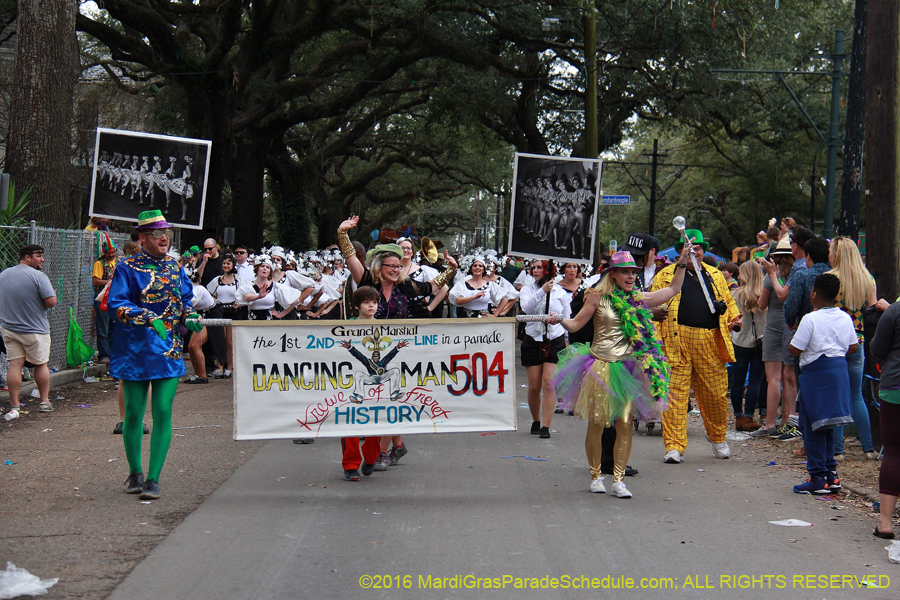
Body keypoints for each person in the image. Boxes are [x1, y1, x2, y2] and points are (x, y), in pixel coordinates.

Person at [552, 247, 691, 497]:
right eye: (625, 272)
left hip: (627, 369)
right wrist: (559, 319)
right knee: (597, 424)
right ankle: (596, 476)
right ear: (613, 274)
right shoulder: (596, 296)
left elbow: (672, 290)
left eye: (633, 273)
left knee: (624, 425)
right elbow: (575, 324)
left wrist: (681, 263)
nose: (630, 277)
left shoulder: (636, 298)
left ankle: (618, 480)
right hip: (599, 369)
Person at [337, 215, 457, 468]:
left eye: (398, 266)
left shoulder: (405, 286)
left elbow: (431, 287)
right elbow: (350, 259)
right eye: (390, 266)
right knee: (363, 405)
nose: (395, 269)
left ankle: (380, 452)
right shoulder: (367, 282)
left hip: (397, 356)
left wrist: (451, 270)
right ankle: (367, 455)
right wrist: (342, 233)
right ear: (378, 267)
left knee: (390, 403)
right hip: (364, 353)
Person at [108, 210, 202, 501]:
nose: (165, 238)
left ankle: (153, 478)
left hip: (169, 348)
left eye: (167, 234)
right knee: (134, 413)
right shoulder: (127, 267)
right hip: (135, 349)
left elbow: (185, 298)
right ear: (143, 238)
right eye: (158, 234)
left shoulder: (175, 267)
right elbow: (116, 303)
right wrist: (147, 316)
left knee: (162, 409)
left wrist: (191, 314)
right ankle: (135, 472)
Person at [651, 229, 741, 463]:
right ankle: (674, 446)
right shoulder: (665, 275)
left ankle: (718, 438)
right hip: (674, 340)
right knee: (674, 395)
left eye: (698, 247)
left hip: (709, 342)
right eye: (689, 247)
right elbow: (652, 300)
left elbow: (728, 302)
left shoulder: (715, 275)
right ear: (680, 250)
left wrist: (734, 317)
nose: (694, 251)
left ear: (703, 250)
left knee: (716, 395)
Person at [789, 273, 857, 494]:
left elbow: (795, 349)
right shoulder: (845, 317)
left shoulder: (811, 319)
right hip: (838, 371)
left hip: (816, 373)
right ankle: (831, 474)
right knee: (828, 425)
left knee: (812, 426)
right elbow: (853, 346)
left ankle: (817, 477)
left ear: (814, 294)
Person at [781, 234, 831, 443]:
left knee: (805, 388)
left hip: (805, 333)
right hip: (831, 336)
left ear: (808, 256)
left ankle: (807, 439)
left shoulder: (802, 275)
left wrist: (792, 321)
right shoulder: (833, 276)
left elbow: (791, 304)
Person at [0, 245, 58, 414]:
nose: (42, 259)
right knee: (41, 364)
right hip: (35, 329)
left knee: (15, 364)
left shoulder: (3, 275)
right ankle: (44, 401)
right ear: (27, 257)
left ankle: (15, 404)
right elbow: (51, 301)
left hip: (9, 328)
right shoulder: (38, 276)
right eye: (39, 256)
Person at [520, 260, 571, 439]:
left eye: (539, 267)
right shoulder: (527, 290)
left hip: (554, 339)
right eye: (533, 268)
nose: (535, 270)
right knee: (534, 385)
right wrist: (543, 291)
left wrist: (563, 333)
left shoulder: (560, 292)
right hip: (533, 339)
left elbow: (567, 316)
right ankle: (536, 420)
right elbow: (526, 308)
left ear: (548, 270)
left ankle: (546, 426)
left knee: (549, 383)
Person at [339, 286, 386, 480]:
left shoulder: (386, 326)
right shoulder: (345, 326)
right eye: (367, 302)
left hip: (376, 384)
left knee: (375, 425)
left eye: (374, 302)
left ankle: (371, 457)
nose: (371, 306)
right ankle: (350, 465)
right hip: (351, 383)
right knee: (349, 425)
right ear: (357, 306)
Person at [754, 237, 796, 438]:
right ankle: (787, 421)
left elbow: (762, 305)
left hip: (773, 328)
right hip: (792, 328)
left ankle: (769, 423)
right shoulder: (797, 274)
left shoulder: (771, 276)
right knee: (789, 378)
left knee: (773, 379)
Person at [867, 296, 900, 539]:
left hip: (895, 387)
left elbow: (877, 350)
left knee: (893, 452)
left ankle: (885, 522)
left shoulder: (894, 311)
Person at [730, 261, 766, 431]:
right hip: (759, 342)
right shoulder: (764, 295)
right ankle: (750, 417)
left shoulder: (735, 294)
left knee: (737, 380)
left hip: (739, 341)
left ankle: (738, 416)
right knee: (755, 381)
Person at [92, 234, 118, 364]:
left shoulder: (118, 262)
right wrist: (110, 282)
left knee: (114, 328)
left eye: (113, 252)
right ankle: (103, 355)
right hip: (102, 300)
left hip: (115, 300)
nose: (111, 255)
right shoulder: (99, 263)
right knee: (103, 328)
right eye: (109, 253)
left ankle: (113, 354)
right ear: (104, 252)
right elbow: (95, 281)